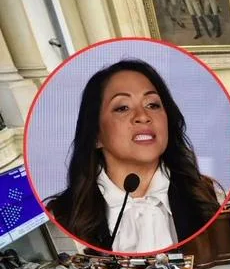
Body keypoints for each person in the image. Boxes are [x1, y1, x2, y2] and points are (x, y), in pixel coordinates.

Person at [46, 60, 220, 253]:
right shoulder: (61, 218)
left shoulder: (208, 195)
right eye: (122, 108)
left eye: (153, 105)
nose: (143, 116)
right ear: (95, 135)